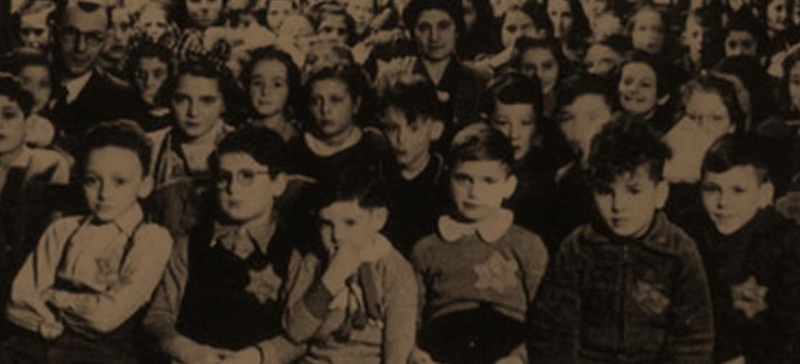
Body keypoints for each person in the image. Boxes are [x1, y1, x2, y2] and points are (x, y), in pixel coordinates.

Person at [528, 119, 714, 364]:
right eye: (606, 192)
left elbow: (693, 340)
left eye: (634, 191)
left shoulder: (679, 252)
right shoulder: (578, 248)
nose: (618, 206)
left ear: (660, 194)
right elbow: (553, 330)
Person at [1, 120, 173, 363]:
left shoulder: (151, 238)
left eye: (119, 182)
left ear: (145, 185)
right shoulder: (62, 229)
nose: (104, 194)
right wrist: (44, 326)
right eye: (93, 180)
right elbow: (17, 302)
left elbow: (106, 318)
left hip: (100, 355)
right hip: (31, 345)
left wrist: (52, 296)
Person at [143, 126, 304, 364]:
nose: (233, 188)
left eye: (247, 176)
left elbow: (300, 335)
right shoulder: (189, 244)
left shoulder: (294, 252)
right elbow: (157, 317)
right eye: (223, 177)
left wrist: (256, 357)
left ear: (277, 183)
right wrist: (190, 352)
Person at [411, 123, 548, 364]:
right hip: (445, 349)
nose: (474, 192)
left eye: (488, 181)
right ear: (448, 178)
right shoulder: (427, 248)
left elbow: (547, 318)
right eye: (464, 179)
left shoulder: (526, 244)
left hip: (506, 348)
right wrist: (415, 353)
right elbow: (409, 316)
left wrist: (521, 357)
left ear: (509, 186)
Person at [282, 167, 417, 364]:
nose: (337, 236)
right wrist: (329, 281)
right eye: (327, 224)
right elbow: (294, 331)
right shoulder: (313, 262)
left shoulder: (393, 267)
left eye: (350, 223)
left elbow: (398, 344)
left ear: (379, 219)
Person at [696, 135, 800, 364]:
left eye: (738, 191)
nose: (723, 203)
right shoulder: (695, 238)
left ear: (764, 194)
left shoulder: (788, 246)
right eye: (712, 189)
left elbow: (791, 337)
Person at [0, 76, 70, 337]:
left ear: (28, 123)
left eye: (9, 115)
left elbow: (54, 234)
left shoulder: (48, 165)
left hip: (31, 280)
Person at [147, 60, 238, 236]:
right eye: (182, 99)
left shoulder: (244, 146)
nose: (193, 112)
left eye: (206, 101)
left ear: (224, 104)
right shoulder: (150, 146)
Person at [49, 0, 136, 153]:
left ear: (107, 38)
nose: (80, 47)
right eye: (70, 33)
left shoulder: (123, 100)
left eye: (94, 38)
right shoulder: (30, 83)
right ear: (55, 31)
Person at [377, 74, 447, 257]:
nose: (401, 140)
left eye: (413, 128)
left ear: (436, 130)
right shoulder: (373, 179)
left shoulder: (448, 183)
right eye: (392, 128)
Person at [289, 64, 387, 185]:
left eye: (335, 100)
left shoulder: (373, 148)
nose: (325, 110)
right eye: (316, 101)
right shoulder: (296, 149)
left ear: (356, 104)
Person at [485, 72, 557, 238]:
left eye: (525, 123)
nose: (513, 134)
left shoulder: (549, 179)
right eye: (503, 123)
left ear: (537, 126)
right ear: (487, 122)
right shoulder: (474, 169)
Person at [240, 46, 303, 143]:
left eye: (277, 84)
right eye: (257, 83)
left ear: (290, 89)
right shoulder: (237, 137)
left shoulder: (299, 140)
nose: (265, 91)